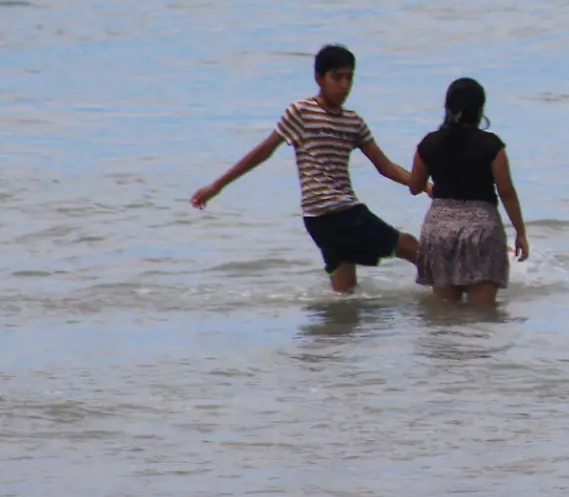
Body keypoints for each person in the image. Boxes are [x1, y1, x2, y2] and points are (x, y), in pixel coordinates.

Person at [191, 44, 419, 293]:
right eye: (337, 77)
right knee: (410, 247)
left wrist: (424, 185)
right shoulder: (301, 112)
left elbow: (385, 166)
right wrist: (217, 186)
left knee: (345, 291)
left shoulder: (353, 122)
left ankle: (337, 330)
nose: (344, 85)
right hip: (336, 211)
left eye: (349, 78)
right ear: (319, 78)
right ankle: (447, 300)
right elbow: (263, 151)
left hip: (319, 220)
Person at [407, 78, 527, 306]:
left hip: (439, 230)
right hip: (480, 232)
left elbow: (414, 186)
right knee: (481, 317)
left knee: (444, 314)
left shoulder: (429, 143)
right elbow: (506, 191)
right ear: (480, 110)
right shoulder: (492, 146)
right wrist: (520, 233)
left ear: (448, 108)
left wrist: (432, 187)